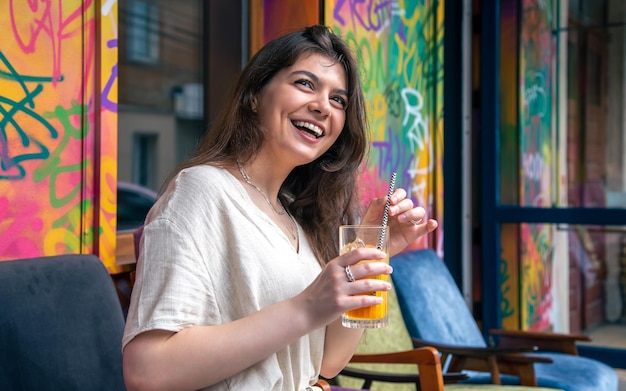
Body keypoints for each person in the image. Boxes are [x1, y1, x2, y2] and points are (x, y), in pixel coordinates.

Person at [122, 24, 438, 391]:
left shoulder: (290, 216)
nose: (323, 106)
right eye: (305, 83)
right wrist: (306, 307)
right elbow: (147, 371)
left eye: (339, 100)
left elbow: (327, 363)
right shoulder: (201, 190)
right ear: (255, 95)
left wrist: (372, 247)